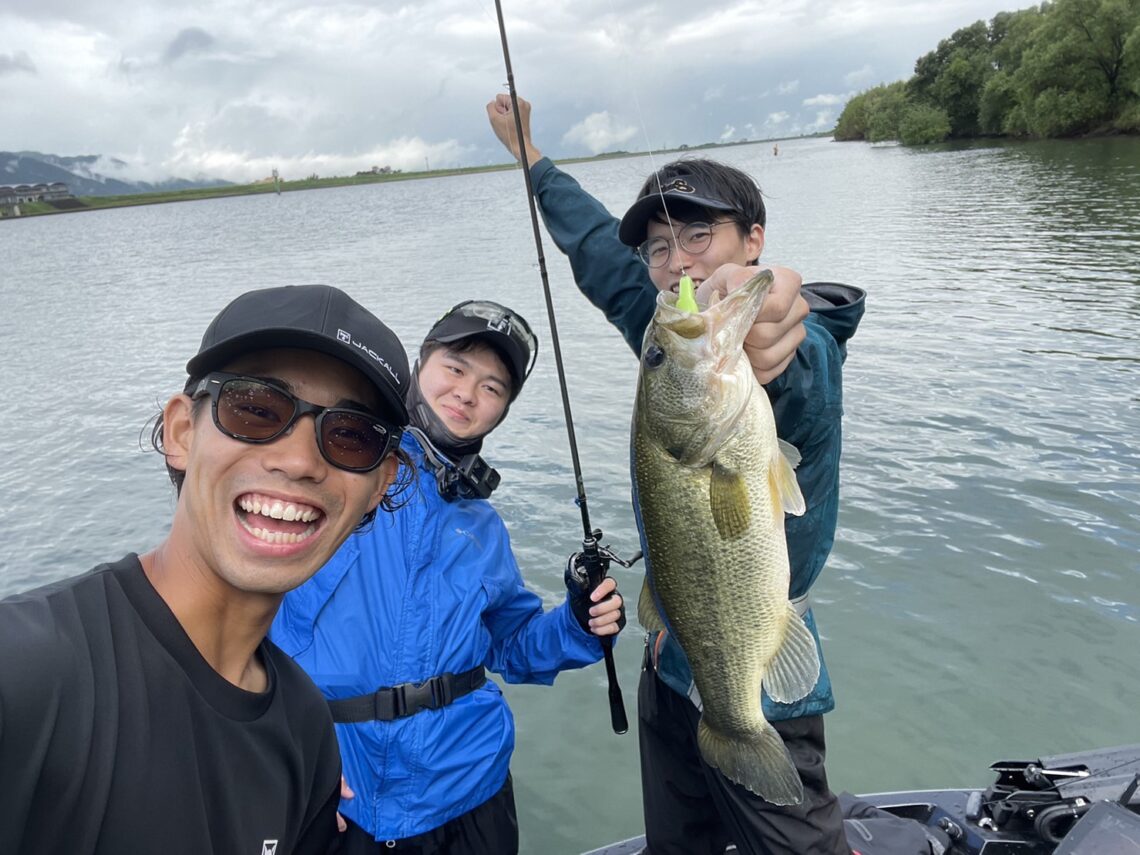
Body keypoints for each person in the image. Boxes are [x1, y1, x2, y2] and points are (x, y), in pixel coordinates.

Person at [488, 94, 867, 855]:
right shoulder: (673, 341)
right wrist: (531, 156)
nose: (677, 261)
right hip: (669, 665)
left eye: (700, 235)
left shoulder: (764, 351)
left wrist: (774, 340)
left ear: (753, 239)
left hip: (751, 669)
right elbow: (598, 252)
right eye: (659, 248)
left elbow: (794, 354)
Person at [0, 284, 411, 855]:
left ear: (379, 485)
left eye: (349, 435)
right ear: (181, 432)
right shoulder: (27, 673)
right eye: (255, 409)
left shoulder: (304, 725)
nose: (297, 460)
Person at [270, 299, 627, 855]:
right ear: (420, 364)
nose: (467, 393)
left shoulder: (482, 526)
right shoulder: (335, 472)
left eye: (492, 387)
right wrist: (273, 753)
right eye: (455, 368)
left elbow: (512, 645)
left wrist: (580, 620)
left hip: (473, 789)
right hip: (336, 794)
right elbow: (239, 626)